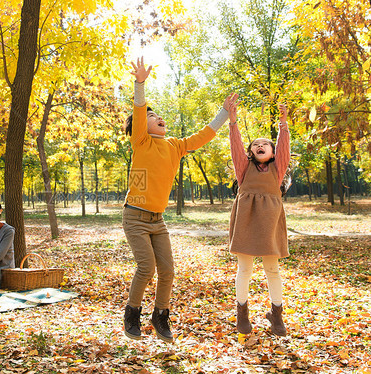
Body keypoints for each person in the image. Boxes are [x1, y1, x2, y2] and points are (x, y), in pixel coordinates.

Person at [122, 57, 238, 342]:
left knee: (168, 270)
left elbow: (202, 136)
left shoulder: (174, 145)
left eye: (157, 115)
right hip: (135, 217)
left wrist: (223, 113)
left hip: (158, 220)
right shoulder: (141, 142)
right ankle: (132, 314)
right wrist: (140, 83)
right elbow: (139, 111)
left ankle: (161, 316)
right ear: (140, 128)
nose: (156, 117)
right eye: (151, 117)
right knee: (146, 267)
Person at [227, 101, 290, 336]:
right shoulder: (244, 169)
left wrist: (283, 125)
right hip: (246, 219)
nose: (260, 145)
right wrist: (233, 123)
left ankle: (276, 316)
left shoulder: (277, 169)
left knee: (272, 269)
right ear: (251, 152)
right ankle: (241, 313)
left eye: (265, 144)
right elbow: (236, 147)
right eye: (256, 144)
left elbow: (284, 148)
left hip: (270, 222)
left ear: (273, 152)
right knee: (244, 268)